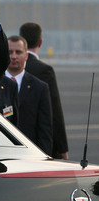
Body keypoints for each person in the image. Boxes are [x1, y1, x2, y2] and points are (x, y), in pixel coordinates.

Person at [19, 22, 69, 160]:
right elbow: (54, 111)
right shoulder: (44, 70)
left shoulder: (9, 66)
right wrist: (62, 147)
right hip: (39, 142)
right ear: (40, 43)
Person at [6, 35, 52, 155]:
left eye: (18, 52)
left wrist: (44, 157)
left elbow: (45, 129)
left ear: (26, 55)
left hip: (30, 154)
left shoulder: (40, 88)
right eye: (10, 52)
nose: (14, 56)